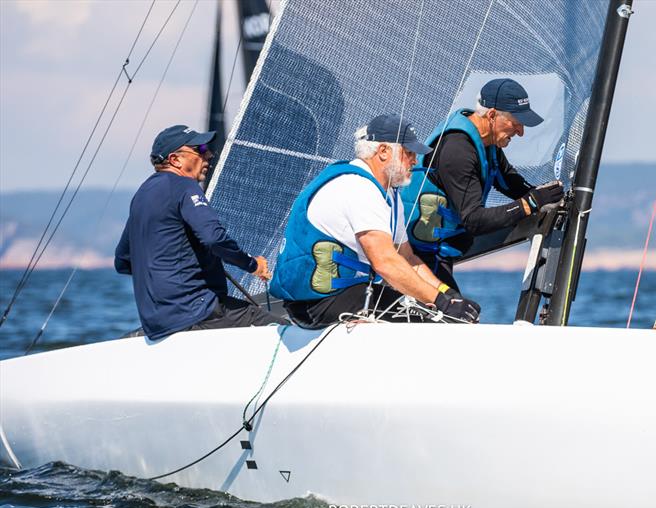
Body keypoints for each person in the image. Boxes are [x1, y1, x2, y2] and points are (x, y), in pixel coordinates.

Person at [269, 114, 481, 328]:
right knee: (437, 321)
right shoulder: (359, 188)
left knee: (440, 314)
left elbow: (406, 256)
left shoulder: (389, 193)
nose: (415, 161)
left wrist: (447, 293)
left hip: (349, 295)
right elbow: (385, 262)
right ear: (383, 152)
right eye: (408, 153)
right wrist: (440, 304)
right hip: (316, 305)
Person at [115, 124, 282, 340]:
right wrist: (252, 264)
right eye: (200, 149)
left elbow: (123, 261)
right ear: (176, 160)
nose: (209, 154)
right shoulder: (184, 185)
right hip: (199, 313)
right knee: (284, 331)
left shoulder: (141, 196)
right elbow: (214, 238)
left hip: (158, 323)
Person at [400, 78, 565, 291]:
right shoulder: (458, 151)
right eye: (516, 122)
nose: (521, 131)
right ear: (492, 115)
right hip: (414, 256)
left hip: (437, 254)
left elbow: (510, 183)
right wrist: (529, 204)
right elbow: (474, 220)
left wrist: (547, 195)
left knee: (460, 316)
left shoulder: (488, 143)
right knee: (458, 317)